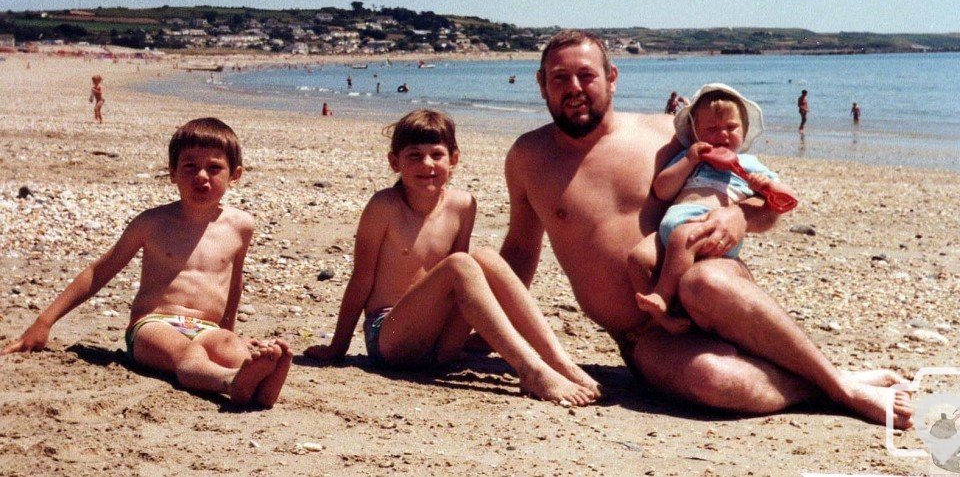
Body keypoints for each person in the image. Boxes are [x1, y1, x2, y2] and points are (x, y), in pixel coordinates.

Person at [499, 30, 912, 426]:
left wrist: (739, 216)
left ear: (612, 77)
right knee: (711, 380)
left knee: (703, 284)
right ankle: (828, 384)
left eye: (586, 75)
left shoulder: (667, 134)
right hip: (642, 334)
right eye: (560, 78)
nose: (574, 87)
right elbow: (519, 251)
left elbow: (767, 202)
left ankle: (842, 388)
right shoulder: (528, 158)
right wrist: (487, 328)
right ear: (541, 84)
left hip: (709, 278)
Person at [305, 109, 600, 406]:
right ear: (395, 162)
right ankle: (531, 370)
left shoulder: (463, 204)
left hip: (442, 346)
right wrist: (337, 347)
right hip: (390, 338)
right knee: (460, 263)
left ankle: (562, 364)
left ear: (454, 159)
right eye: (414, 156)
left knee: (482, 257)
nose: (427, 165)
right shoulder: (384, 207)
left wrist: (483, 335)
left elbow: (466, 289)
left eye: (437, 155)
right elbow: (361, 279)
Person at [2, 118, 292, 408]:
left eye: (214, 167)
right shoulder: (152, 223)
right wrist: (44, 322)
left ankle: (262, 386)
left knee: (233, 348)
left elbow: (233, 281)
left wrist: (230, 331)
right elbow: (99, 271)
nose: (201, 175)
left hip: (207, 327)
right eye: (189, 166)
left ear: (235, 175)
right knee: (187, 355)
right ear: (172, 173)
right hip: (153, 325)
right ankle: (230, 382)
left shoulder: (241, 226)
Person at [630, 84, 797, 333]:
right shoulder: (690, 159)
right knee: (637, 258)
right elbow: (662, 189)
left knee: (682, 237)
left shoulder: (748, 164)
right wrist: (689, 160)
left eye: (731, 127)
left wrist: (768, 185)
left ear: (745, 130)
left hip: (711, 230)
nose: (722, 135)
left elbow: (789, 198)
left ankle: (663, 297)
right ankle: (665, 320)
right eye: (711, 129)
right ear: (696, 134)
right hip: (673, 232)